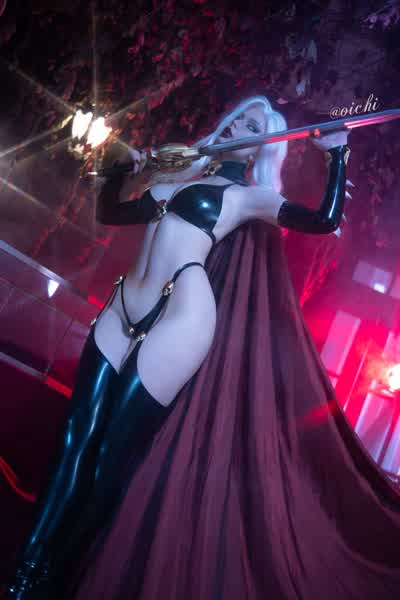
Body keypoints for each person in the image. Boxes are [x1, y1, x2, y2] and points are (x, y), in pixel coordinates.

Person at [6, 95, 400, 600]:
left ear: (264, 148)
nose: (241, 125)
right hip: (123, 306)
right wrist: (119, 171)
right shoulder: (177, 172)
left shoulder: (248, 197)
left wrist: (338, 152)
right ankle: (28, 569)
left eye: (255, 124)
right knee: (75, 437)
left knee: (110, 455)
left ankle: (60, 576)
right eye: (239, 117)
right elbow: (112, 212)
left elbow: (323, 220)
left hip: (183, 315)